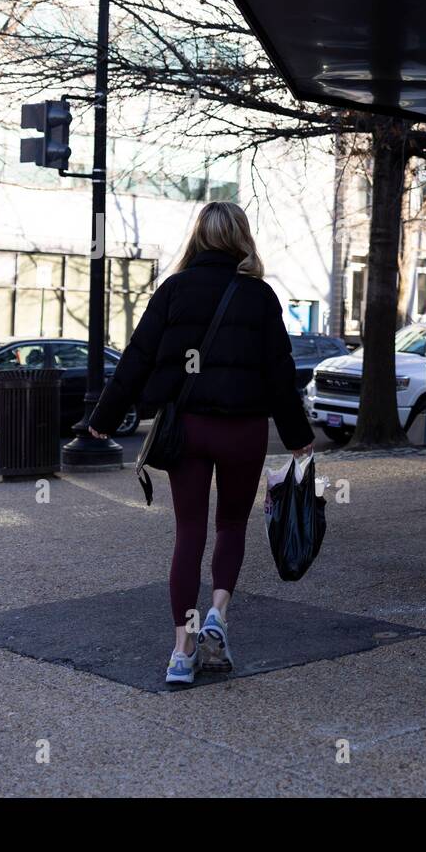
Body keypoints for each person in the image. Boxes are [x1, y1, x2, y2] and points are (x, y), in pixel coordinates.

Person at [88, 202, 315, 685]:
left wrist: (103, 416)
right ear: (240, 238)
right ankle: (218, 614)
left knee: (188, 532)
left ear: (199, 238)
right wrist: (297, 438)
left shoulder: (174, 290)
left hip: (186, 429)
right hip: (244, 430)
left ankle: (181, 651)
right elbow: (280, 374)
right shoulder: (259, 297)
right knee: (231, 525)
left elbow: (137, 357)